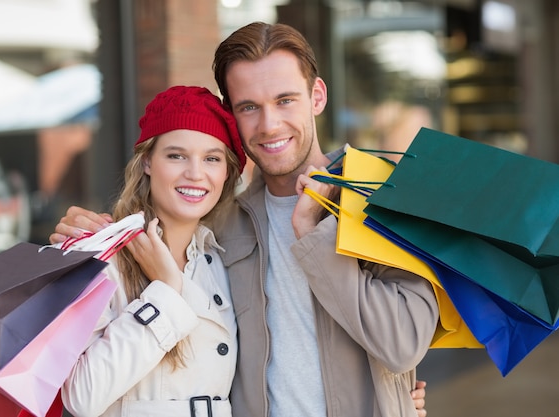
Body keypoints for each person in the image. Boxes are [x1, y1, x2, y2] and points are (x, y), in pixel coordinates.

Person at [51, 22, 437, 417]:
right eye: (249, 106)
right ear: (233, 117)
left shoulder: (381, 203)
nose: (269, 125)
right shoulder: (221, 228)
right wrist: (89, 238)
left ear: (316, 96)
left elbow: (402, 346)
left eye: (285, 100)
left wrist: (313, 236)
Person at [60, 85, 246, 417]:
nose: (195, 173)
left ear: (227, 172)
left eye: (212, 158)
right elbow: (80, 396)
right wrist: (164, 294)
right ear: (147, 162)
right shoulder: (104, 256)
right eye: (176, 155)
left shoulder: (217, 258)